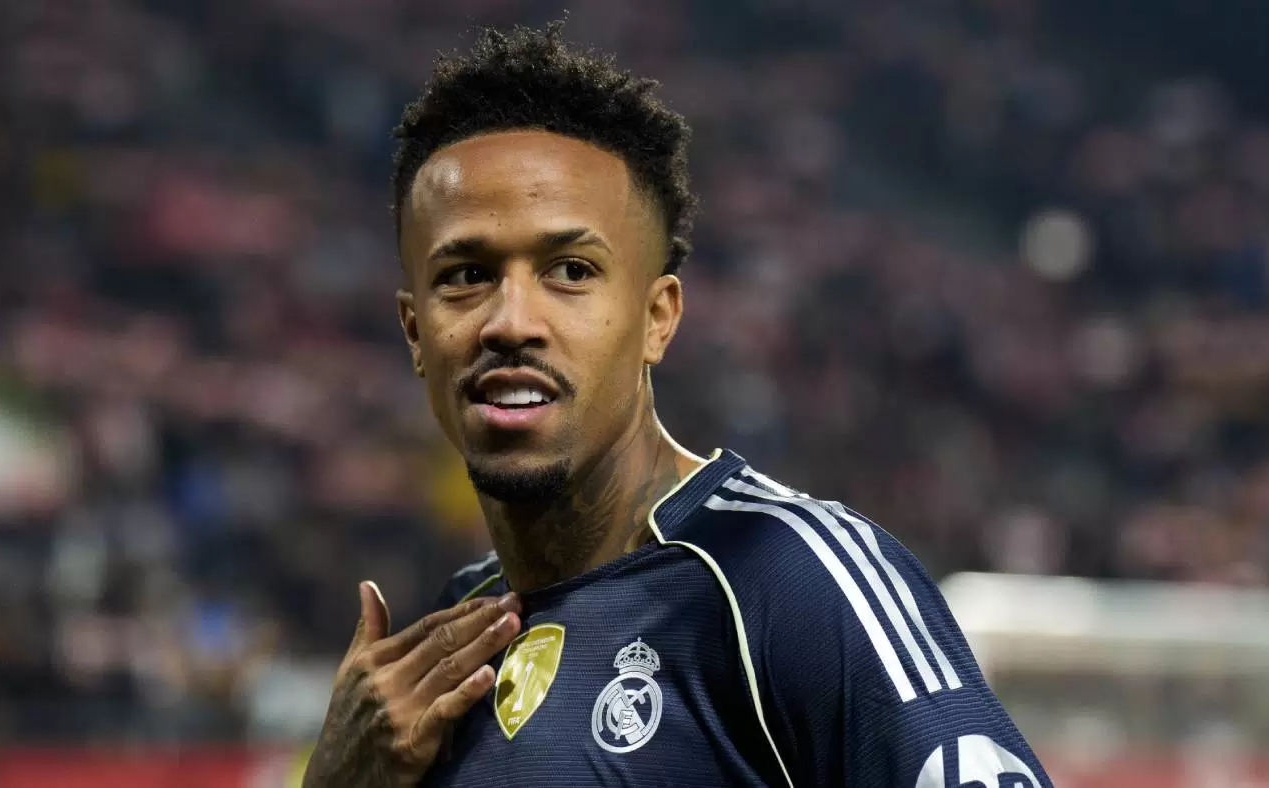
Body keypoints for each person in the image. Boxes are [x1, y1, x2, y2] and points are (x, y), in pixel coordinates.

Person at [302, 22, 1052, 788]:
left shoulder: (791, 581)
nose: (511, 322)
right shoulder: (448, 651)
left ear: (657, 318)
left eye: (570, 270)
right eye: (465, 275)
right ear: (415, 330)